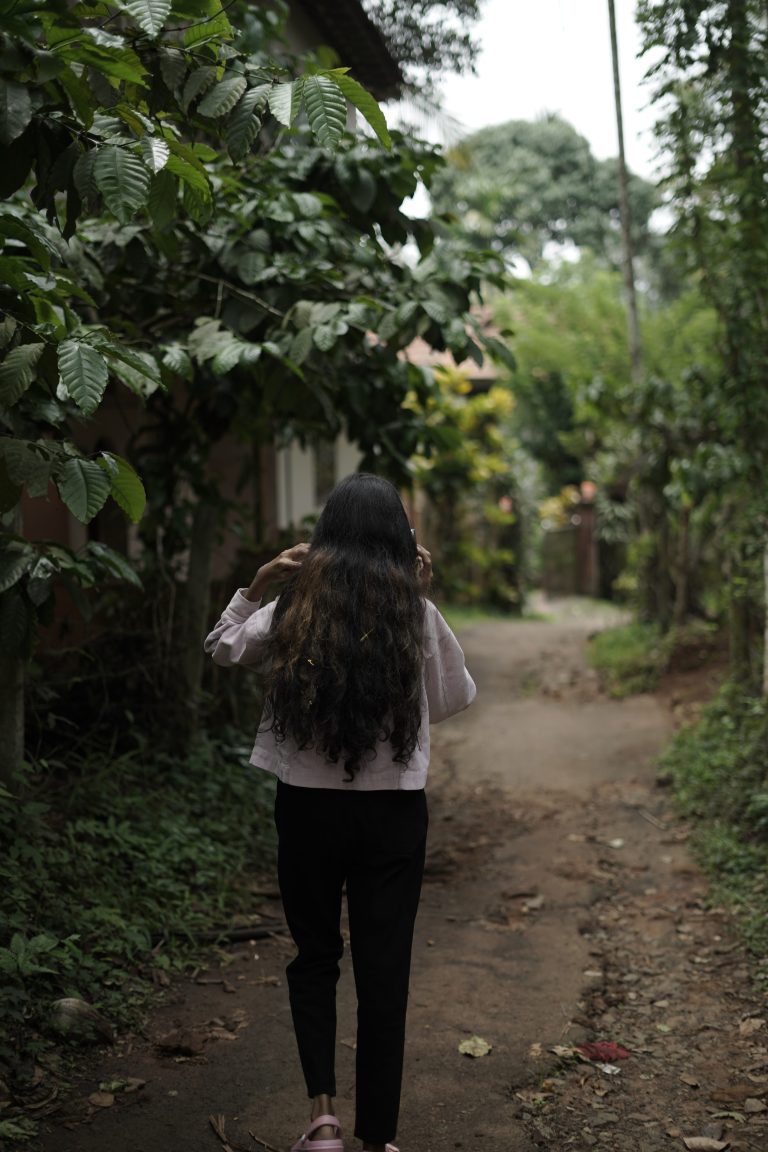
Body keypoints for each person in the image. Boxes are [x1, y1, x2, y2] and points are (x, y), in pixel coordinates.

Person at [204, 473, 476, 1152]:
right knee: (385, 974)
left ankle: (322, 1122)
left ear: (323, 540)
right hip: (393, 817)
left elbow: (221, 646)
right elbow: (451, 698)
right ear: (400, 542)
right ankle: (378, 1139)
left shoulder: (295, 611)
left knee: (315, 957)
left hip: (306, 811)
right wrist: (419, 601)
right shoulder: (417, 617)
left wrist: (259, 582)